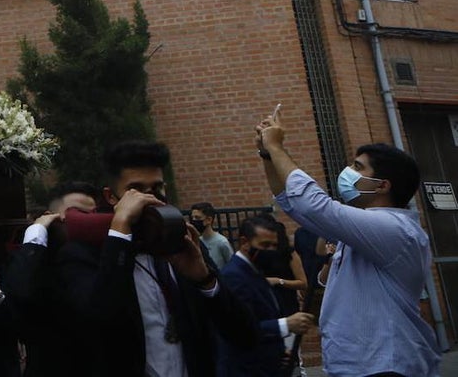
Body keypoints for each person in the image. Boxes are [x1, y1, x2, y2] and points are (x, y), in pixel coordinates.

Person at [256, 111, 442, 377]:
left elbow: (313, 204)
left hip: (386, 364)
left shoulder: (394, 228)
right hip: (356, 364)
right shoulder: (364, 228)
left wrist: (277, 147)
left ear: (382, 186)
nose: (348, 172)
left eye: (357, 167)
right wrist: (267, 154)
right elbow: (291, 202)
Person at [65, 140, 256, 377]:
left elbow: (244, 333)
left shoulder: (181, 243)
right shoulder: (83, 252)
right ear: (111, 197)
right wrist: (121, 230)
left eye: (157, 189)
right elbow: (97, 323)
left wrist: (205, 281)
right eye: (135, 191)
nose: (149, 199)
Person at [1, 182, 99, 377]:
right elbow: (17, 297)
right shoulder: (35, 261)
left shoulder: (103, 256)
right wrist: (37, 233)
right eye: (76, 214)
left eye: (92, 216)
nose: (85, 222)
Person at [217, 216, 315, 377]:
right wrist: (286, 324)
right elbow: (239, 330)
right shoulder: (233, 276)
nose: (270, 251)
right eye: (264, 245)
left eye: (274, 246)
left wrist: (279, 351)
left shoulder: (255, 271)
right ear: (244, 242)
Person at [188, 203, 233, 270]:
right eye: (193, 218)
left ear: (209, 220)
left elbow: (232, 265)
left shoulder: (222, 242)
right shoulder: (197, 240)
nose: (194, 220)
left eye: (198, 218)